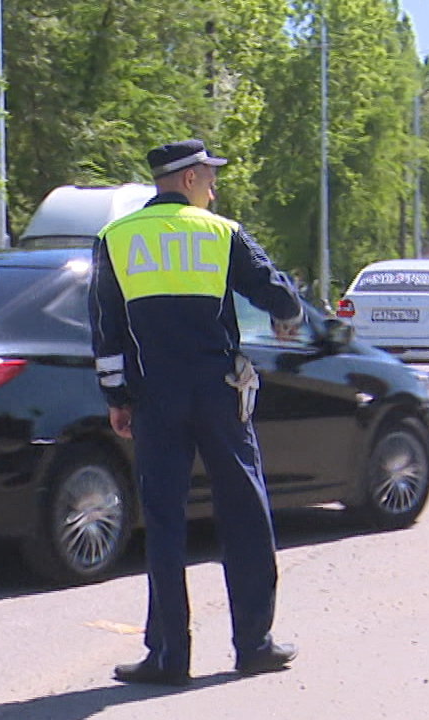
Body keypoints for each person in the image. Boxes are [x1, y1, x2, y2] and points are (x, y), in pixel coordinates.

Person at [88, 139, 304, 685]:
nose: (214, 187)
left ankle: (168, 656)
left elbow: (105, 328)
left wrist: (117, 399)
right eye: (208, 177)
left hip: (154, 397)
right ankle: (254, 643)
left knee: (163, 522)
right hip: (218, 391)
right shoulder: (221, 233)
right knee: (245, 511)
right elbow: (273, 290)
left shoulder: (115, 239)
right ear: (186, 179)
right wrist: (289, 312)